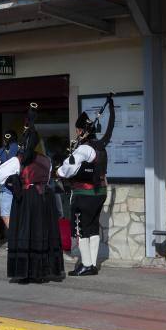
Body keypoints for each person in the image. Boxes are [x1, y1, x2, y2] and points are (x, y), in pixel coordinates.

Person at [3, 106, 65, 283]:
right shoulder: (47, 160)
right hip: (45, 199)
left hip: (26, 199)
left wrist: (14, 183)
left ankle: (26, 273)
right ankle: (42, 272)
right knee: (42, 233)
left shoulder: (18, 160)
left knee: (26, 232)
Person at [58, 95, 115, 277]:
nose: (76, 133)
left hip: (85, 193)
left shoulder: (83, 149)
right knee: (92, 227)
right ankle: (91, 264)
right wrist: (112, 107)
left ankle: (86, 264)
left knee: (80, 228)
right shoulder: (101, 145)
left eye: (78, 130)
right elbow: (110, 128)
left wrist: (59, 171)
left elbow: (68, 169)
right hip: (101, 192)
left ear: (82, 130)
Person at [0, 131, 19, 230]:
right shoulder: (0, 151)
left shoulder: (19, 149)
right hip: (5, 185)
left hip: (17, 184)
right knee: (7, 213)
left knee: (7, 214)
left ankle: (16, 239)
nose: (5, 140)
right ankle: (16, 239)